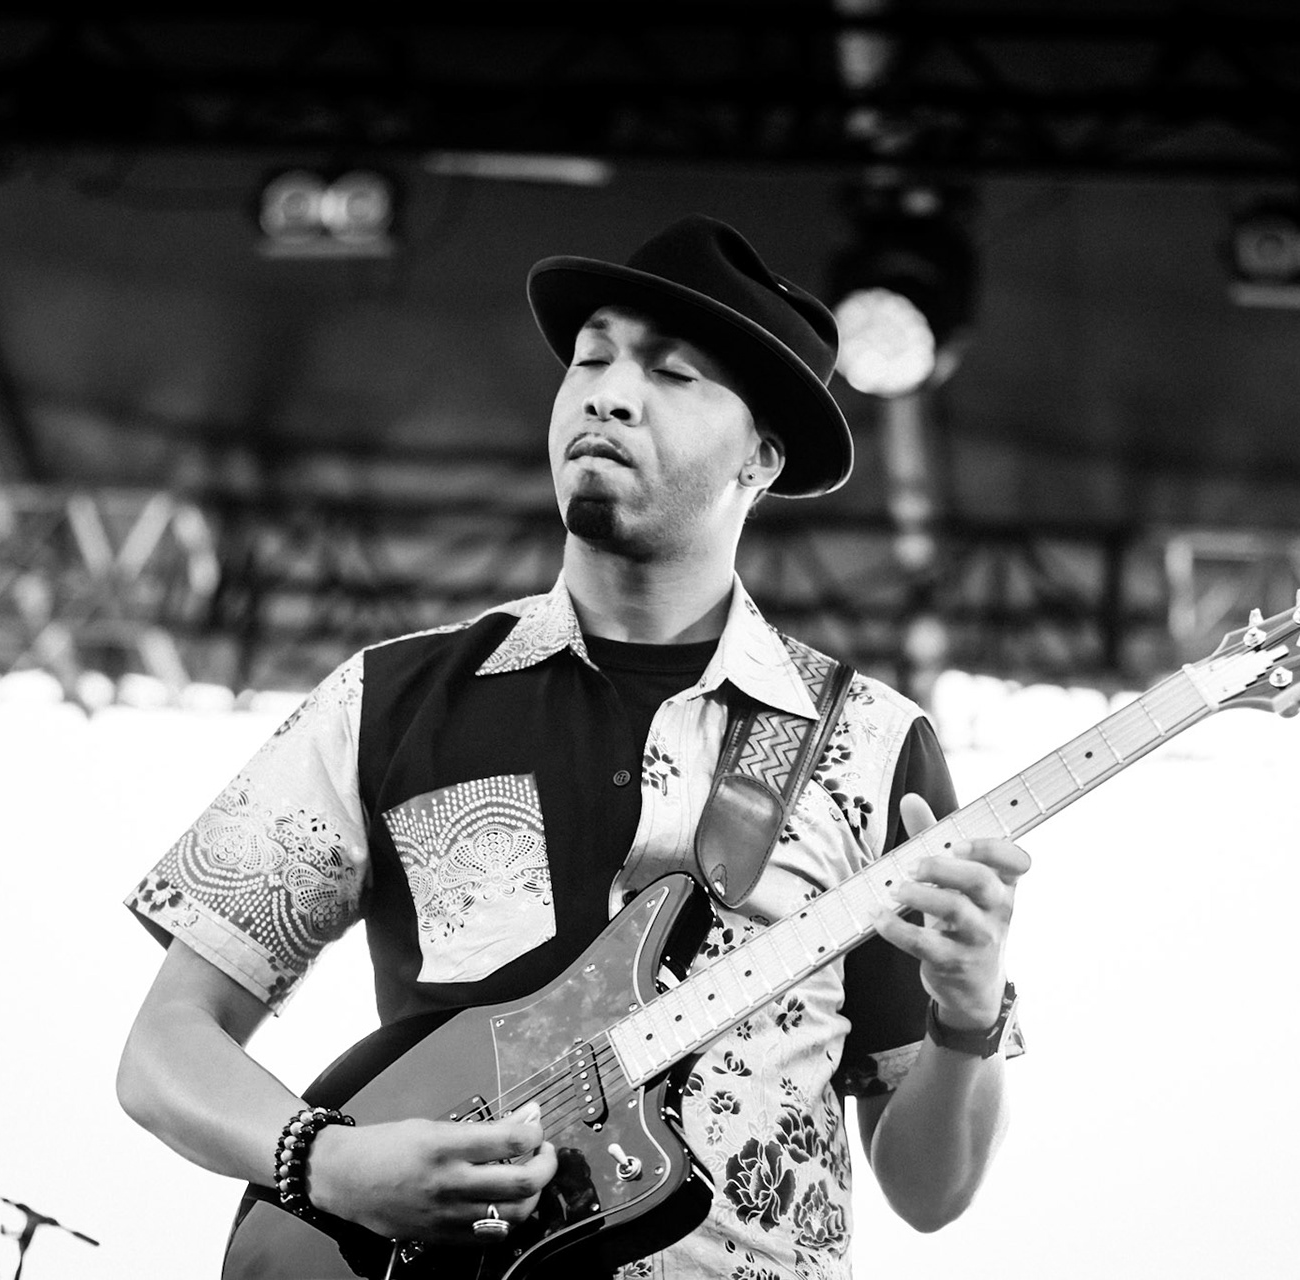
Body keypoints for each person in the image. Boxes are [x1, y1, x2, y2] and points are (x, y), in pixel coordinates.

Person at [116, 213, 1030, 1280]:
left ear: (764, 454)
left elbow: (930, 1189)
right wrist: (328, 1162)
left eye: (673, 373)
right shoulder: (392, 699)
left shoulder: (873, 745)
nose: (606, 390)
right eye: (590, 358)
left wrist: (970, 1016)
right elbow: (164, 1047)